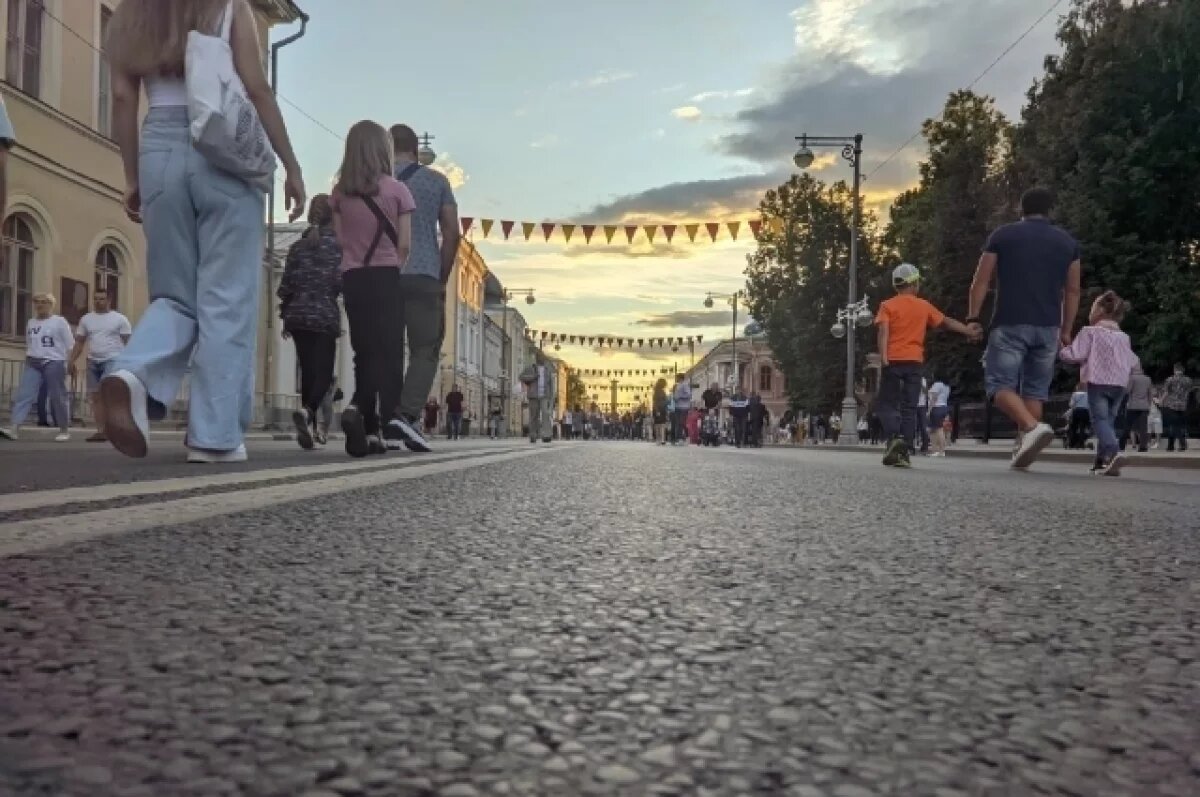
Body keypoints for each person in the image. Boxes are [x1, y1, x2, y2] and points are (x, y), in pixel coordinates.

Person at [100, 0, 305, 463]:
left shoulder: (130, 17)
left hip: (159, 151)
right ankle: (213, 438)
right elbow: (257, 89)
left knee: (174, 296)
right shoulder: (230, 7)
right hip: (223, 149)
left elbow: (122, 98)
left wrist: (133, 177)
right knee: (226, 299)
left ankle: (132, 372)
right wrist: (290, 165)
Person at [968, 187, 1082, 470]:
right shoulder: (1067, 243)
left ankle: (1031, 428)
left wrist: (973, 317)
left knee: (998, 385)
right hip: (1048, 326)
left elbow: (981, 280)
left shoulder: (1002, 235)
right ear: (1050, 210)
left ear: (1022, 209)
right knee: (1034, 391)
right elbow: (1073, 291)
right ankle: (1024, 448)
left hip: (1010, 321)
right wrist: (1066, 329)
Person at [331, 120, 414, 458]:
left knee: (363, 352)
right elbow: (405, 244)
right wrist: (393, 267)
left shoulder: (339, 194)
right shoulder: (397, 190)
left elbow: (340, 240)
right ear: (384, 150)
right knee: (386, 352)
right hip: (387, 275)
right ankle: (357, 406)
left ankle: (370, 429)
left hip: (353, 278)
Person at [381, 124, 461, 454]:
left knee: (383, 349)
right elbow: (453, 234)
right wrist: (441, 279)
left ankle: (381, 417)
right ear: (415, 150)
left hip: (381, 274)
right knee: (425, 349)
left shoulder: (373, 182)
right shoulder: (436, 181)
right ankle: (406, 416)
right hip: (424, 274)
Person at [876, 263, 977, 467]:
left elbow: (883, 332)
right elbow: (946, 321)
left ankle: (894, 439)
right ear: (914, 283)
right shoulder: (923, 306)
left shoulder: (887, 305)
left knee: (887, 404)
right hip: (914, 362)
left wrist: (883, 358)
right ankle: (903, 450)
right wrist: (968, 331)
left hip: (893, 360)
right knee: (910, 407)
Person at [278, 194, 341, 451]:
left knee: (307, 371)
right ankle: (308, 412)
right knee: (324, 374)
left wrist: (285, 316)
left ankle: (310, 428)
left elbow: (285, 287)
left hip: (297, 315)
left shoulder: (297, 247)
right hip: (323, 314)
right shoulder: (338, 246)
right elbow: (341, 283)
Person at [1059, 291, 1138, 476]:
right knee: (1108, 421)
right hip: (1119, 384)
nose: (1091, 311)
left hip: (1098, 381)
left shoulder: (1090, 332)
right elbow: (1133, 362)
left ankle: (1114, 452)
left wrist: (1061, 347)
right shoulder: (1124, 337)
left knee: (1100, 421)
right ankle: (1102, 462)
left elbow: (1075, 355)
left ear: (1101, 310)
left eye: (1093, 306)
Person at [0, 294, 74, 441]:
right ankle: (14, 428)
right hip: (33, 361)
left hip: (54, 361)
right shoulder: (31, 322)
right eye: (37, 303)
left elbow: (70, 345)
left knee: (57, 396)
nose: (40, 305)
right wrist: (28, 357)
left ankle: (64, 429)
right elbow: (30, 342)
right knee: (24, 394)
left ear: (51, 305)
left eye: (44, 302)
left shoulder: (59, 322)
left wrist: (69, 363)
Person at [69, 289, 132, 442]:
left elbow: (129, 342)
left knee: (109, 396)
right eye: (96, 299)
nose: (98, 301)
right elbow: (79, 342)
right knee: (95, 397)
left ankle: (120, 428)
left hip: (113, 360)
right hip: (92, 361)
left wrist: (130, 362)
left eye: (102, 299)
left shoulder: (119, 319)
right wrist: (71, 360)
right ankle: (101, 431)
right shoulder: (86, 319)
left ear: (109, 301)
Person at [520, 351, 555, 443]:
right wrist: (533, 377)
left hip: (544, 395)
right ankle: (533, 435)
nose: (541, 359)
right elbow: (522, 377)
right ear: (536, 358)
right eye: (539, 357)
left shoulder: (548, 370)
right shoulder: (531, 368)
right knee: (533, 416)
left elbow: (551, 385)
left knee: (545, 415)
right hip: (533, 395)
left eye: (542, 357)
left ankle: (546, 435)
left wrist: (551, 398)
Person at [1161, 363, 1194, 452]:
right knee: (1180, 425)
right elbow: (1190, 392)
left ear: (1174, 370)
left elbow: (1166, 392)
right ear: (1183, 370)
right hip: (1184, 405)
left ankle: (1177, 444)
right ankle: (1172, 445)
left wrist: (1161, 401)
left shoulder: (1170, 379)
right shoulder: (1188, 380)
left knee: (1173, 425)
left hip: (1172, 405)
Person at [1122, 363, 1153, 453]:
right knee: (1143, 427)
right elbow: (1150, 393)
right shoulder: (1148, 379)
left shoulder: (1132, 378)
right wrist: (1149, 405)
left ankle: (1121, 445)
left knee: (1128, 425)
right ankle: (1143, 446)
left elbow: (1127, 391)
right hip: (1144, 406)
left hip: (1133, 405)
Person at [927, 378, 951, 457]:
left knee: (938, 429)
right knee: (934, 430)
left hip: (937, 407)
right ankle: (938, 450)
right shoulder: (947, 386)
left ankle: (939, 451)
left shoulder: (937, 384)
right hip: (944, 407)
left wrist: (929, 410)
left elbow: (934, 398)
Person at [1066, 385, 1090, 450]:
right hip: (1085, 412)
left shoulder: (1074, 394)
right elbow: (1089, 404)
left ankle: (1072, 443)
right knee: (1082, 428)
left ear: (1078, 388)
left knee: (1074, 428)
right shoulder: (1088, 394)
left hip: (1076, 411)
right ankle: (1081, 443)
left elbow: (1071, 404)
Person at [671, 374, 692, 445]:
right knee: (678, 423)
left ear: (680, 378)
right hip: (677, 406)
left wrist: (680, 397)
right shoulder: (677, 385)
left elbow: (689, 395)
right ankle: (678, 438)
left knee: (682, 422)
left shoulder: (685, 385)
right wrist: (674, 397)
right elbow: (676, 395)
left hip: (684, 407)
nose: (675, 379)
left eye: (676, 378)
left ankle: (685, 437)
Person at [652, 379, 669, 445]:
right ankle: (660, 439)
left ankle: (660, 439)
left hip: (661, 409)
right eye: (664, 383)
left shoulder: (660, 391)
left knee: (660, 425)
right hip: (659, 409)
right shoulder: (658, 392)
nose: (665, 385)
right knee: (659, 425)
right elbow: (655, 402)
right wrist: (657, 410)